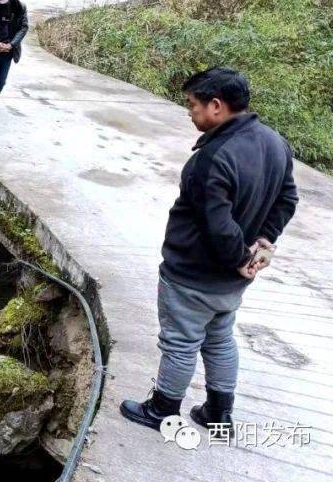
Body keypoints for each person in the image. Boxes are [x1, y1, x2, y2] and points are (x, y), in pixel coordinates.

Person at [120, 67, 298, 436]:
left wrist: (239, 259)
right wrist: (263, 242)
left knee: (180, 343)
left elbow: (218, 225)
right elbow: (287, 198)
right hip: (231, 282)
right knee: (219, 339)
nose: (190, 113)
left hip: (193, 274)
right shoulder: (275, 143)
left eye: (193, 105)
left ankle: (162, 409)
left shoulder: (212, 158)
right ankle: (218, 413)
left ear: (216, 106)